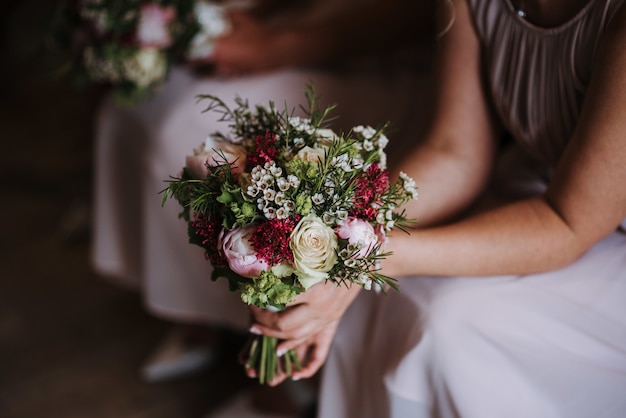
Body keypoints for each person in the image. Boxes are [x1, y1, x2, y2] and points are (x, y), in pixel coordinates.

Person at [247, 0, 626, 416]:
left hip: (591, 227)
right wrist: (340, 229)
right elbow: (455, 152)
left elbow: (568, 223)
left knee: (448, 324)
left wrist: (363, 259)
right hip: (543, 181)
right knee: (388, 288)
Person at [91, 0, 435, 413]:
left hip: (395, 52)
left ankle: (281, 377)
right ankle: (205, 313)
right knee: (145, 106)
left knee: (186, 131)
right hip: (319, 19)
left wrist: (284, 42)